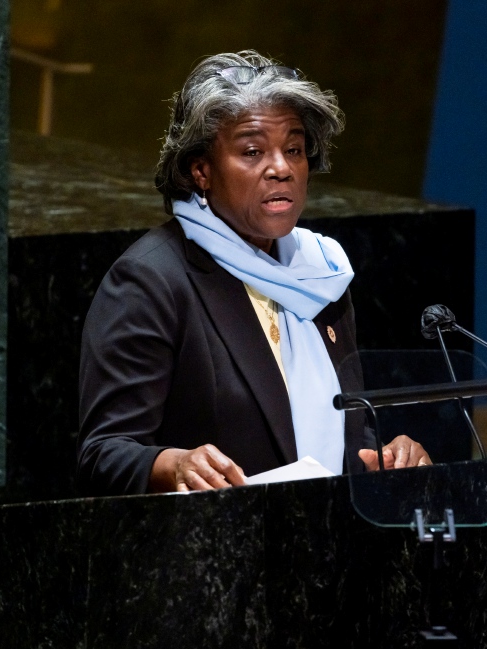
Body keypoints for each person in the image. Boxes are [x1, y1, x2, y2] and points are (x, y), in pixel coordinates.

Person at [77, 50, 429, 496]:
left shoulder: (320, 274)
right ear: (201, 170)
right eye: (252, 151)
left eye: (295, 150)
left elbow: (335, 432)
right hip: (215, 551)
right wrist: (173, 464)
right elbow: (104, 454)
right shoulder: (151, 282)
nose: (281, 168)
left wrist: (384, 457)